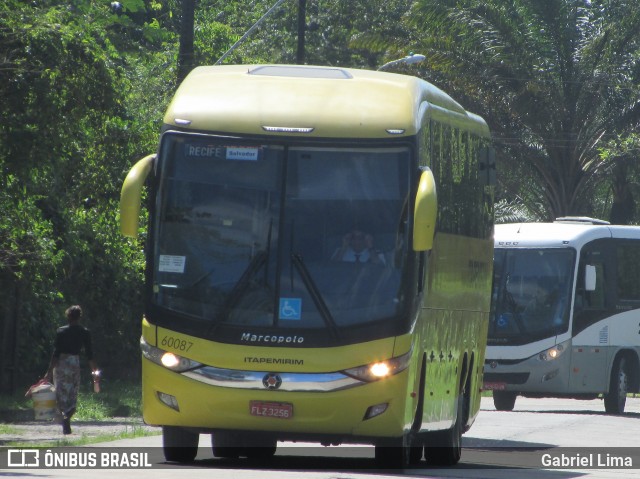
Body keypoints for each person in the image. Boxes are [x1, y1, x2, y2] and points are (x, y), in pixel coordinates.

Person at [44, 305, 99, 435]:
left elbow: (56, 353)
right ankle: (68, 414)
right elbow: (90, 354)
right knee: (73, 391)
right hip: (74, 363)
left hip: (61, 364)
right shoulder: (84, 332)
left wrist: (49, 371)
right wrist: (94, 372)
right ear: (79, 317)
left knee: (60, 391)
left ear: (68, 316)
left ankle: (64, 416)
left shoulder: (61, 331)